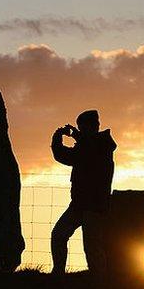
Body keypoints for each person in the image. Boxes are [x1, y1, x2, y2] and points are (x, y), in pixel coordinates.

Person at [50, 110, 116, 274]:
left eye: (82, 127)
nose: (80, 130)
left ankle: (99, 284)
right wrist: (63, 137)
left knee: (92, 248)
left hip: (95, 206)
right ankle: (59, 274)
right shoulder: (90, 145)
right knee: (59, 235)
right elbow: (68, 155)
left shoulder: (102, 146)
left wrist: (69, 137)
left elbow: (80, 154)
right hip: (79, 205)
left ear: (93, 126)